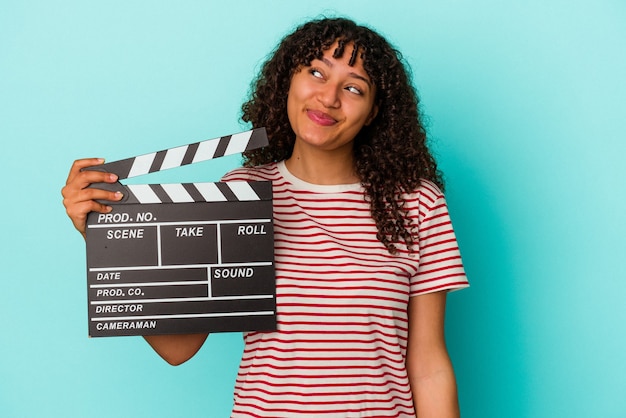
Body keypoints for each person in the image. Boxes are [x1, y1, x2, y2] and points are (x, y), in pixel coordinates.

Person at [62, 17, 469, 418]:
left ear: (375, 110)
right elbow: (178, 348)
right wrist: (102, 236)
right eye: (316, 72)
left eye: (353, 88)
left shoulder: (416, 203)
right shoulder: (240, 193)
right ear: (287, 81)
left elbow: (429, 364)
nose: (328, 98)